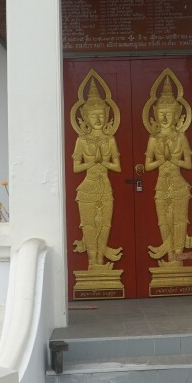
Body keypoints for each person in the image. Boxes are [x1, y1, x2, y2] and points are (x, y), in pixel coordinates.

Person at [71, 79, 123, 269]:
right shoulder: (82, 140)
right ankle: (93, 263)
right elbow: (76, 167)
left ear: (107, 115)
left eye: (101, 115)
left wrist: (105, 161)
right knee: (90, 226)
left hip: (105, 187)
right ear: (85, 118)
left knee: (105, 225)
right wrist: (94, 161)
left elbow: (117, 167)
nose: (98, 120)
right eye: (94, 116)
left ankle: (100, 261)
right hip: (87, 188)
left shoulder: (109, 139)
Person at [145, 76, 192, 264]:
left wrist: (172, 159)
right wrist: (161, 161)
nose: (165, 118)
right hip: (161, 185)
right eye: (161, 114)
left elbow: (188, 164)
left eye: (169, 113)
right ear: (156, 115)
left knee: (180, 221)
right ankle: (169, 257)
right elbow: (148, 165)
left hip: (179, 184)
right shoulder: (153, 139)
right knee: (164, 221)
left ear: (176, 115)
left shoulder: (181, 138)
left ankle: (179, 260)